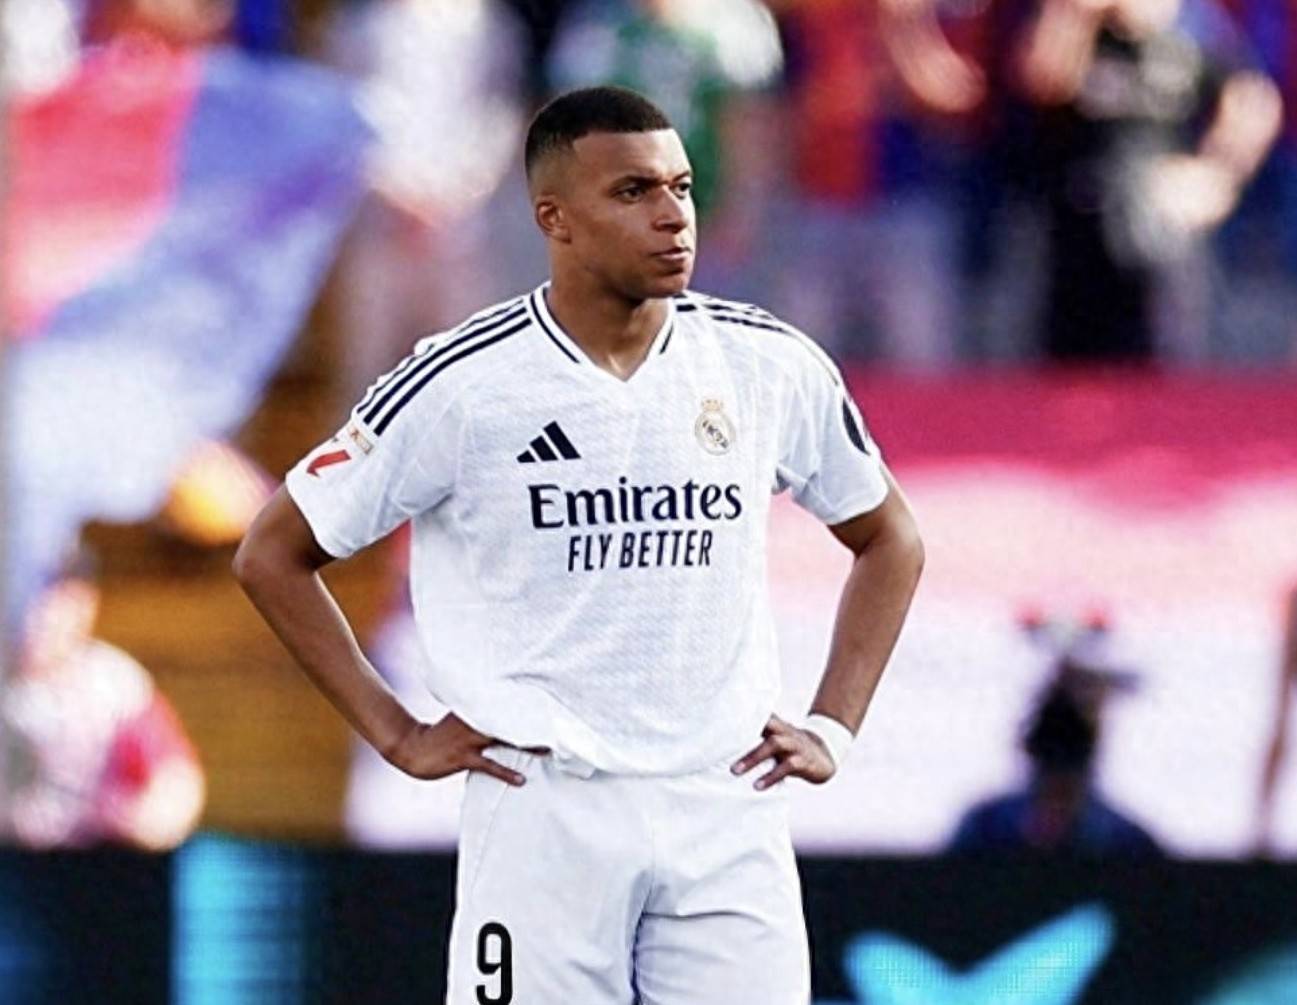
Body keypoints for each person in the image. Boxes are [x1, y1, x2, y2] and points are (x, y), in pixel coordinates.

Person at [233, 86, 924, 1003]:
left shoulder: (765, 362)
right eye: (633, 191)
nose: (672, 214)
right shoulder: (462, 380)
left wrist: (833, 723)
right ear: (552, 218)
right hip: (545, 805)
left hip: (724, 801)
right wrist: (397, 733)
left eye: (680, 187)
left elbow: (889, 536)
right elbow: (272, 552)